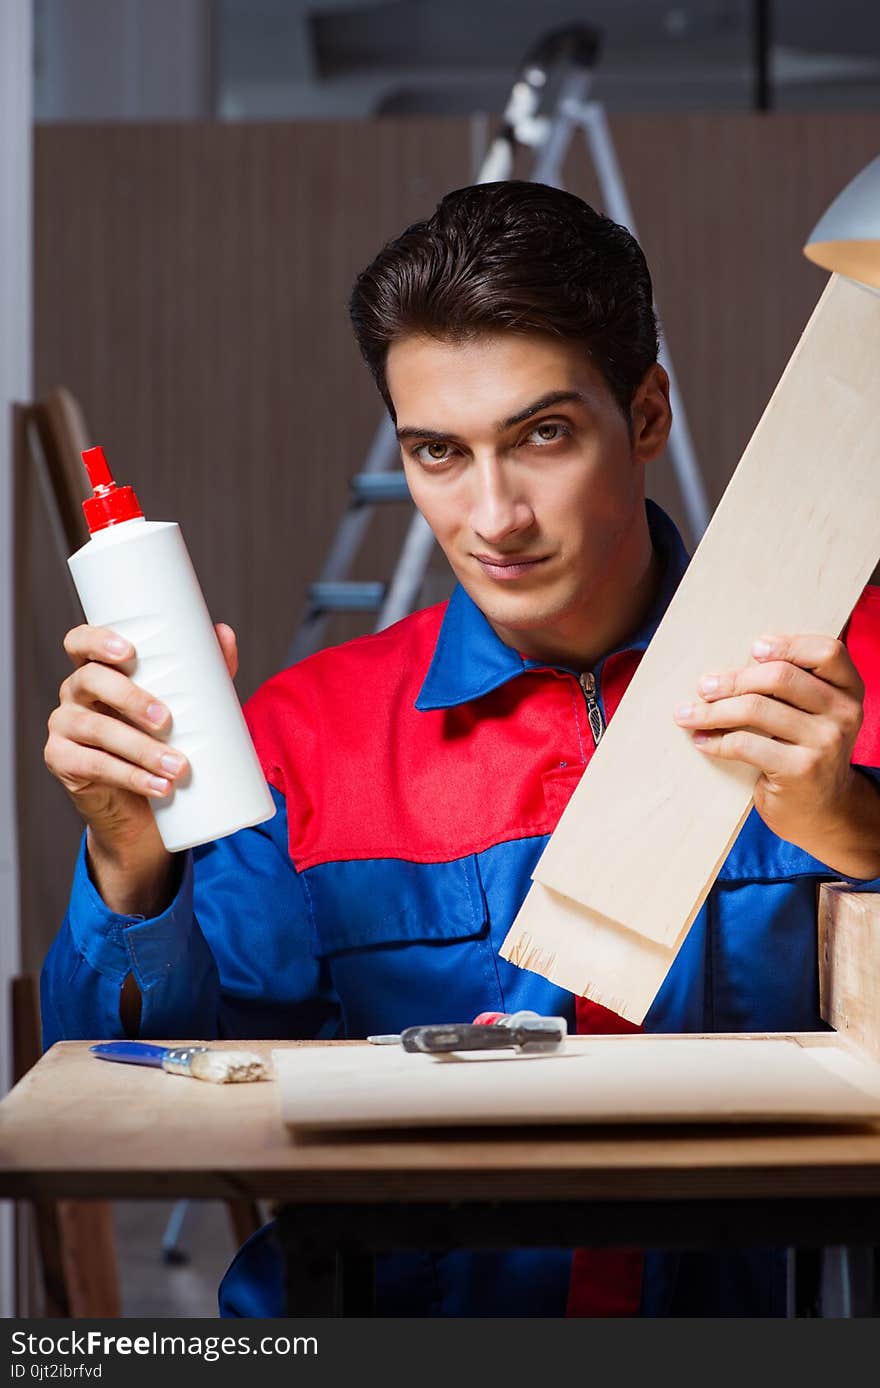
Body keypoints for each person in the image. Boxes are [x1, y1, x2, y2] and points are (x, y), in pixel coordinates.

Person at [42, 181, 880, 1318]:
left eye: (542, 435)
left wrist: (853, 830)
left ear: (645, 416)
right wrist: (131, 861)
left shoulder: (841, 676)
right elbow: (132, 1096)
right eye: (438, 452)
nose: (492, 516)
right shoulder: (305, 737)